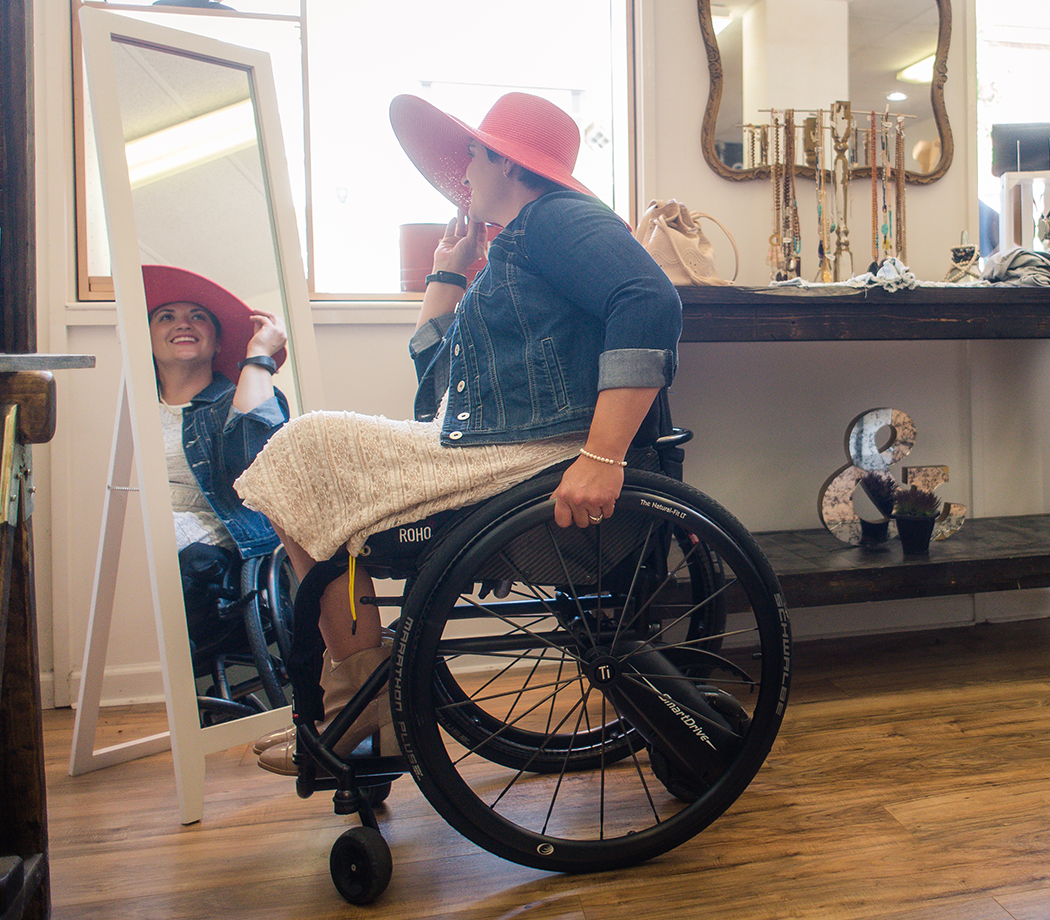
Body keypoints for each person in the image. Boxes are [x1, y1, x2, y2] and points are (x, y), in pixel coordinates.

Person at [237, 92, 683, 773]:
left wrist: (602, 456)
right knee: (311, 467)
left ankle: (363, 714)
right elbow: (447, 389)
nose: (464, 171)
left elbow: (650, 300)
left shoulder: (554, 219)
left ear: (506, 161)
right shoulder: (515, 247)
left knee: (304, 450)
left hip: (537, 456)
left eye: (473, 155)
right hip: (502, 445)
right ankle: (363, 709)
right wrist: (451, 269)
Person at [144, 264, 290, 651]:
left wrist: (258, 355)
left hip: (218, 548)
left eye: (197, 316)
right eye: (167, 316)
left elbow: (257, 463)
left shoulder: (244, 397)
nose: (183, 324)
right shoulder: (135, 410)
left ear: (218, 342)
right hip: (141, 536)